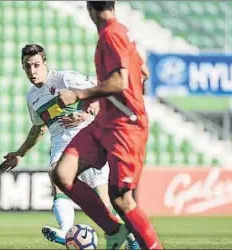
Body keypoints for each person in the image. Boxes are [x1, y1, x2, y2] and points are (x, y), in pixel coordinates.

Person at [0, 44, 139, 249]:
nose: (32, 71)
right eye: (27, 66)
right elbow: (39, 128)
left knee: (105, 203)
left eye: (36, 65)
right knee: (57, 179)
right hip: (60, 144)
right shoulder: (32, 98)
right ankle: (66, 230)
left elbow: (101, 88)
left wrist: (86, 113)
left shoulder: (65, 79)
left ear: (45, 64)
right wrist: (21, 153)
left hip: (87, 139)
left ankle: (133, 239)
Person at [52, 2, 163, 249]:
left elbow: (120, 81)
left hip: (125, 127)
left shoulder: (112, 34)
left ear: (90, 8)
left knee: (121, 199)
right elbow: (143, 72)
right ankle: (114, 230)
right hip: (104, 123)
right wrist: (100, 98)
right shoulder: (119, 32)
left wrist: (80, 95)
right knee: (62, 174)